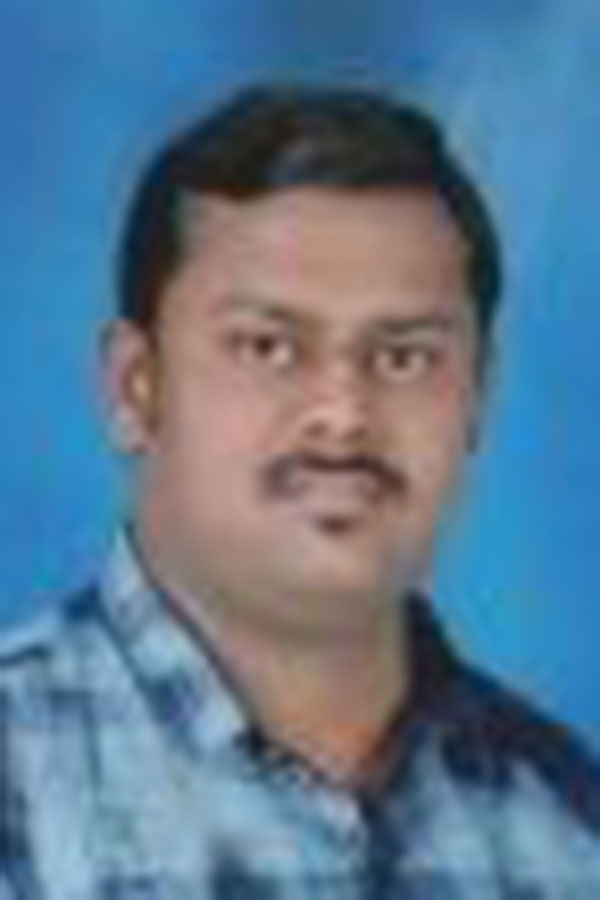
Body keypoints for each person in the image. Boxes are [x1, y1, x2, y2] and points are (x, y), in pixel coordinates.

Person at [1, 84, 599, 899]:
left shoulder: (570, 816)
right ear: (136, 387)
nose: (343, 415)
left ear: (477, 399)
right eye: (268, 347)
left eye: (403, 357)